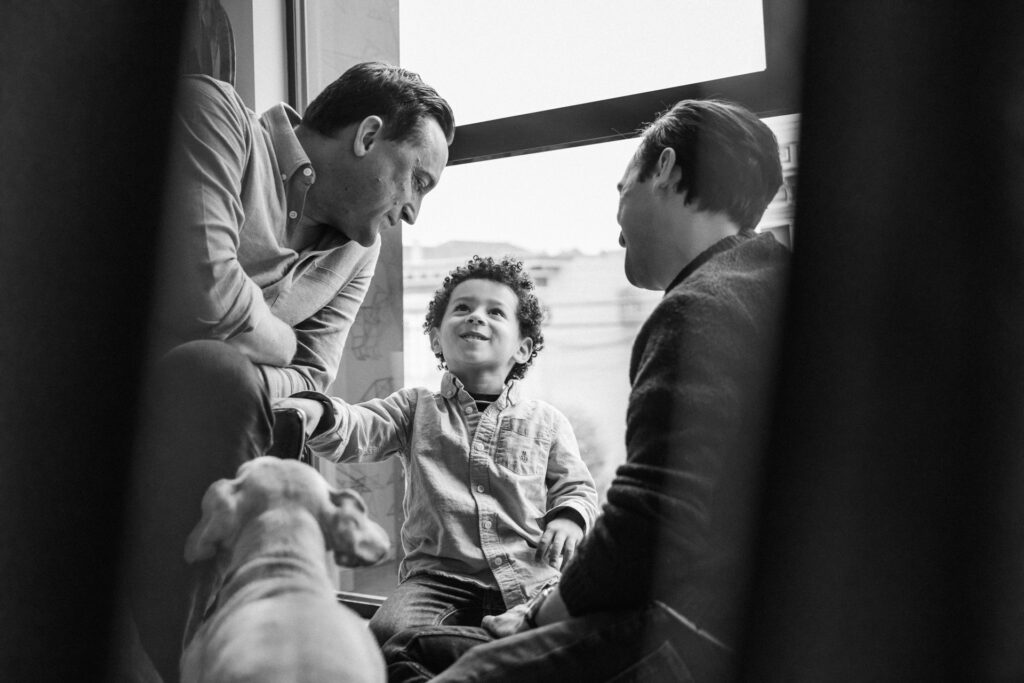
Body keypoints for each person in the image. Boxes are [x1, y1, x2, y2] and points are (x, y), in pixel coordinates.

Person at [380, 99, 790, 682]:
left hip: (699, 625)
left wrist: (538, 617)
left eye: (622, 188)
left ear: (666, 169)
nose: (616, 222)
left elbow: (649, 517)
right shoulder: (771, 282)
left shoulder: (700, 310)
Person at [126, 61, 454, 681]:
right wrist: (277, 343)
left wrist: (254, 358)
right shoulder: (214, 114)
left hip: (231, 417)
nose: (413, 212)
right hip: (132, 398)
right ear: (367, 136)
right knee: (214, 372)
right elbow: (209, 291)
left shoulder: (360, 251)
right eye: (419, 182)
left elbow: (313, 379)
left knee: (252, 398)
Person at [276, 255, 600, 651]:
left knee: (570, 638)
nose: (476, 317)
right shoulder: (415, 408)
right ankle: (475, 648)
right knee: (387, 634)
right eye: (462, 308)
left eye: (495, 311)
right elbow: (360, 428)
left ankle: (471, 649)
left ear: (522, 348)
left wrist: (569, 520)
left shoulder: (548, 421)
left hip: (528, 578)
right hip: (435, 582)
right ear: (435, 338)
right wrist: (317, 412)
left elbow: (578, 489)